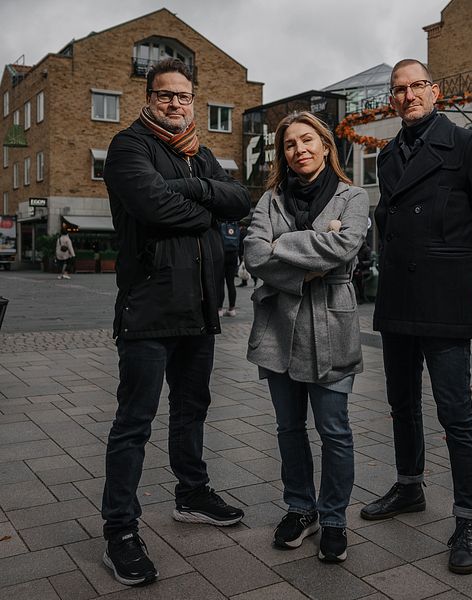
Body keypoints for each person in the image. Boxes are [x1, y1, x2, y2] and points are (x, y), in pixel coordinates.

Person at [101, 58, 250, 586]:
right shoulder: (128, 147)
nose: (176, 104)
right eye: (166, 95)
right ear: (148, 97)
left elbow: (240, 199)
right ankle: (120, 530)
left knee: (192, 410)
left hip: (199, 310)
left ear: (193, 100)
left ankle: (191, 494)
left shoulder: (201, 151)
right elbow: (151, 207)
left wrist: (200, 195)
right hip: (148, 310)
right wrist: (210, 205)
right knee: (133, 425)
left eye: (184, 97)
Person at [361, 59, 472, 575]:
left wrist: (456, 273)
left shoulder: (468, 145)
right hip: (399, 298)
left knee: (456, 415)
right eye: (398, 90)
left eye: (416, 86)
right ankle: (409, 486)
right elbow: (388, 218)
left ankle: (469, 519)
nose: (407, 96)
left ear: (436, 90)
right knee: (401, 404)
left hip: (444, 300)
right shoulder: (386, 156)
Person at [244, 111, 369, 563]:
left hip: (332, 325)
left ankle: (333, 518)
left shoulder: (354, 197)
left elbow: (344, 248)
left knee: (334, 430)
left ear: (325, 145)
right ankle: (301, 508)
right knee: (288, 428)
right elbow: (255, 253)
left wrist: (284, 246)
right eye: (290, 144)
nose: (299, 150)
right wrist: (308, 252)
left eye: (307, 140)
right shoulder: (270, 199)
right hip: (279, 327)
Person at [218, 221, 240, 317]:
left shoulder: (220, 224)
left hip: (222, 254)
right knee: (231, 283)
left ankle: (219, 309)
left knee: (220, 283)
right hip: (233, 255)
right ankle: (232, 309)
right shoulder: (235, 225)